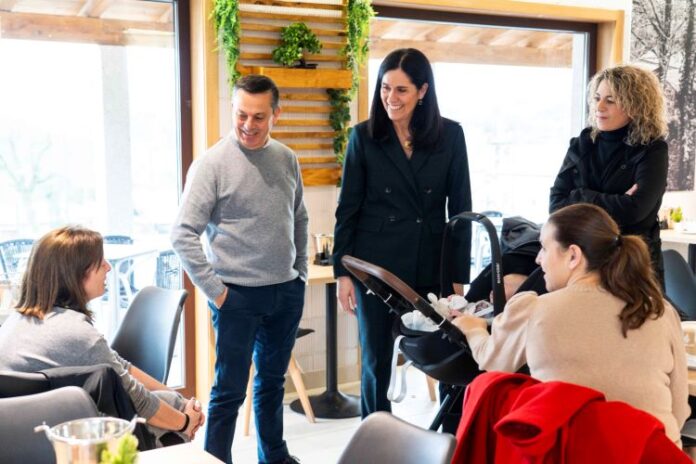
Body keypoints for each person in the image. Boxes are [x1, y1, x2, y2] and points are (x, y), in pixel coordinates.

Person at [451, 203, 689, 444]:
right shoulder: (660, 310)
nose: (538, 259)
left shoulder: (535, 309)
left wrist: (474, 329)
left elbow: (493, 361)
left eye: (544, 248)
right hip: (656, 454)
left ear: (573, 255)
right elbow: (678, 412)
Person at [171, 74, 307, 464]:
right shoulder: (212, 164)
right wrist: (217, 293)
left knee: (272, 384)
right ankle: (216, 460)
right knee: (229, 391)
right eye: (241, 114)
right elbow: (182, 234)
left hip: (285, 292)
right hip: (236, 297)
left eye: (258, 116)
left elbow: (298, 216)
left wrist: (298, 272)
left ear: (276, 114)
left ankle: (274, 457)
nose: (248, 124)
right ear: (232, 109)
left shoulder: (286, 158)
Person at [333, 48, 472, 418]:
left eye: (401, 90)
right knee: (376, 360)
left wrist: (457, 278)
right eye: (385, 88)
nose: (390, 98)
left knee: (448, 352)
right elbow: (348, 209)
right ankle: (374, 438)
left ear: (422, 91)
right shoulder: (363, 137)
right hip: (374, 268)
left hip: (431, 262)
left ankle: (451, 435)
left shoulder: (451, 135)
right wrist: (343, 273)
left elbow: (461, 210)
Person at [0, 226, 205, 443]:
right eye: (100, 263)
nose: (108, 267)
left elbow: (120, 366)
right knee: (171, 415)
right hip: (58, 435)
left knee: (171, 402)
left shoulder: (18, 320)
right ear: (76, 274)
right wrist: (185, 421)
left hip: (23, 431)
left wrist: (180, 400)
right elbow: (138, 399)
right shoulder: (74, 333)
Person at [549, 64, 668, 283]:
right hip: (582, 262)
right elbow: (556, 206)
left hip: (632, 267)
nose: (599, 106)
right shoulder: (583, 143)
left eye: (610, 100)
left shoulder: (652, 149)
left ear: (635, 105)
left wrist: (579, 196)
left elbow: (635, 211)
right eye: (597, 98)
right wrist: (617, 201)